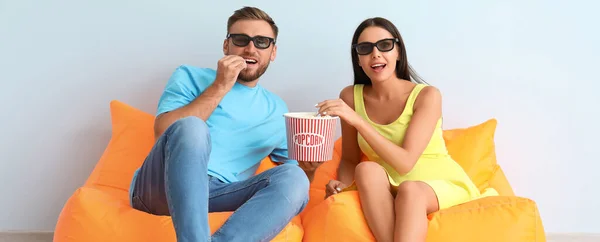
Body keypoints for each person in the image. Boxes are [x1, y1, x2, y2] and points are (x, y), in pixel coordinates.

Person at [128, 6, 320, 242]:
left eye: (261, 42)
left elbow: (295, 186)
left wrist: (309, 170)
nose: (250, 48)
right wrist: (220, 85)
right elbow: (163, 132)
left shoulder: (278, 110)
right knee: (192, 126)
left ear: (273, 52)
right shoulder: (189, 75)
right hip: (160, 187)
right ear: (226, 45)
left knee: (294, 177)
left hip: (221, 193)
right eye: (241, 39)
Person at [316, 17, 498, 242]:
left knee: (410, 191)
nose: (375, 54)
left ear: (398, 52)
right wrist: (342, 186)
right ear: (358, 59)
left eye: (384, 45)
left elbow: (405, 163)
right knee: (366, 170)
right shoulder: (350, 97)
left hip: (438, 184)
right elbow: (351, 159)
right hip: (391, 187)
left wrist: (359, 121)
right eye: (365, 49)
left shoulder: (427, 95)